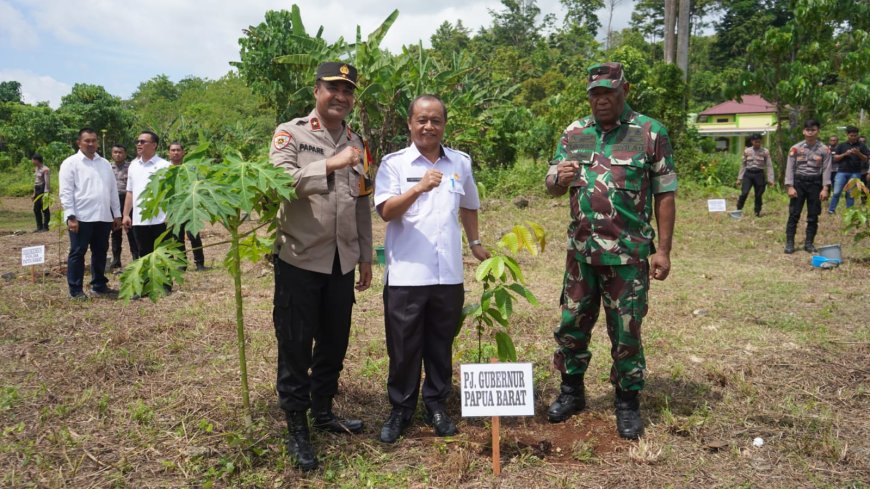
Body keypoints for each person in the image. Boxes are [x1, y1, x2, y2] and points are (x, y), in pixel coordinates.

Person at [544, 62, 677, 440]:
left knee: (626, 331)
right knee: (571, 325)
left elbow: (665, 194)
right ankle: (572, 392)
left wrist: (663, 251)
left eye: (609, 92)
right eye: (595, 94)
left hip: (628, 256)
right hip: (581, 255)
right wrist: (557, 178)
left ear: (625, 90)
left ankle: (627, 402)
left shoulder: (649, 133)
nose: (601, 100)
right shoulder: (575, 133)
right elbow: (552, 182)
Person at [269, 62, 372, 471]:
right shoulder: (290, 132)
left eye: (348, 91)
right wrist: (330, 164)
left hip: (341, 261)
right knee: (295, 344)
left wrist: (365, 254)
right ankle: (296, 425)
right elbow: (278, 180)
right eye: (333, 88)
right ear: (317, 90)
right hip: (299, 256)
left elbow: (362, 201)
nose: (341, 97)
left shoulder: (357, 141)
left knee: (334, 341)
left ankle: (323, 411)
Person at [374, 95, 490, 444]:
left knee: (441, 343)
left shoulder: (460, 163)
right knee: (404, 346)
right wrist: (419, 187)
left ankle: (437, 403)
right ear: (410, 124)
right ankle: (401, 409)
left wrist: (474, 243)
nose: (428, 126)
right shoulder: (394, 164)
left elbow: (469, 205)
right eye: (422, 120)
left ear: (444, 125)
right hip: (408, 274)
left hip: (448, 274)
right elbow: (386, 211)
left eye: (435, 120)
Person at [58, 128, 122, 299]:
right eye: (87, 140)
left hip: (103, 216)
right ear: (79, 142)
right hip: (81, 217)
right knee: (78, 252)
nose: (91, 144)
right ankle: (76, 290)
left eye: (94, 140)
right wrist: (71, 216)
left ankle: (99, 285)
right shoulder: (70, 163)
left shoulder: (105, 163)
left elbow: (112, 190)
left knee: (101, 251)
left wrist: (117, 214)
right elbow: (66, 192)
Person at [784, 119, 831, 253]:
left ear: (818, 131)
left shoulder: (824, 150)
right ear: (803, 131)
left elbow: (827, 169)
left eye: (813, 130)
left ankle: (809, 243)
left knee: (813, 215)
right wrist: (790, 186)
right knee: (794, 214)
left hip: (815, 184)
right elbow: (790, 168)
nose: (810, 133)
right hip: (799, 183)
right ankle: (789, 243)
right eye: (808, 130)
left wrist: (825, 188)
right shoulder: (795, 148)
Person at [123, 131, 170, 257]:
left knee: (164, 255)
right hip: (139, 220)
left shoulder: (165, 165)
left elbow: (171, 193)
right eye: (138, 142)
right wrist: (126, 214)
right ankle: (147, 278)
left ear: (154, 145)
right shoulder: (133, 165)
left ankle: (165, 277)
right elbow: (130, 192)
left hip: (161, 219)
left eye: (143, 142)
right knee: (144, 254)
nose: (139, 144)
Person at [167, 142, 207, 271]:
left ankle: (199, 263)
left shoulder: (192, 168)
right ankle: (181, 264)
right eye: (173, 150)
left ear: (183, 152)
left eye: (178, 150)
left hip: (190, 207)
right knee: (177, 236)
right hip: (174, 208)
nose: (176, 152)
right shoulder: (166, 169)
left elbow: (200, 184)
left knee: (193, 234)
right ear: (169, 153)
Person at [108, 144, 138, 271]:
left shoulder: (132, 166)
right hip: (113, 201)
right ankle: (116, 260)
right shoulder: (108, 167)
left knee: (131, 231)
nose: (118, 155)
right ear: (112, 154)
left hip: (128, 200)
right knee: (115, 232)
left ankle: (136, 258)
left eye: (120, 152)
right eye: (115, 152)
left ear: (125, 154)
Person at [828, 126, 869, 213]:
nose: (853, 137)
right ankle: (831, 210)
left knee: (850, 194)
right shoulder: (842, 145)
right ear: (847, 135)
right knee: (836, 192)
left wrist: (858, 153)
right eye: (851, 135)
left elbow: (866, 158)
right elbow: (835, 158)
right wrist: (845, 154)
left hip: (855, 172)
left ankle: (849, 211)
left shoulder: (861, 145)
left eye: (855, 135)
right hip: (841, 172)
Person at [735, 134, 774, 217]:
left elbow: (769, 165)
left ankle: (757, 212)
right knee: (744, 193)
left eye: (759, 142)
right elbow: (743, 165)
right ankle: (738, 209)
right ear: (752, 141)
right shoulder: (747, 151)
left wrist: (771, 179)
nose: (758, 143)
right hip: (748, 174)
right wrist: (739, 178)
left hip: (759, 174)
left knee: (758, 194)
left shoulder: (765, 151)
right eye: (756, 142)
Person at [31, 153, 51, 232]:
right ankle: (39, 226)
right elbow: (35, 182)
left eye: (33, 159)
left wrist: (46, 193)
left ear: (36, 160)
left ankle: (45, 227)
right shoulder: (36, 168)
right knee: (36, 209)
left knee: (45, 209)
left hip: (43, 190)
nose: (32, 161)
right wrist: (34, 193)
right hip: (37, 189)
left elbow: (47, 182)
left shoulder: (45, 169)